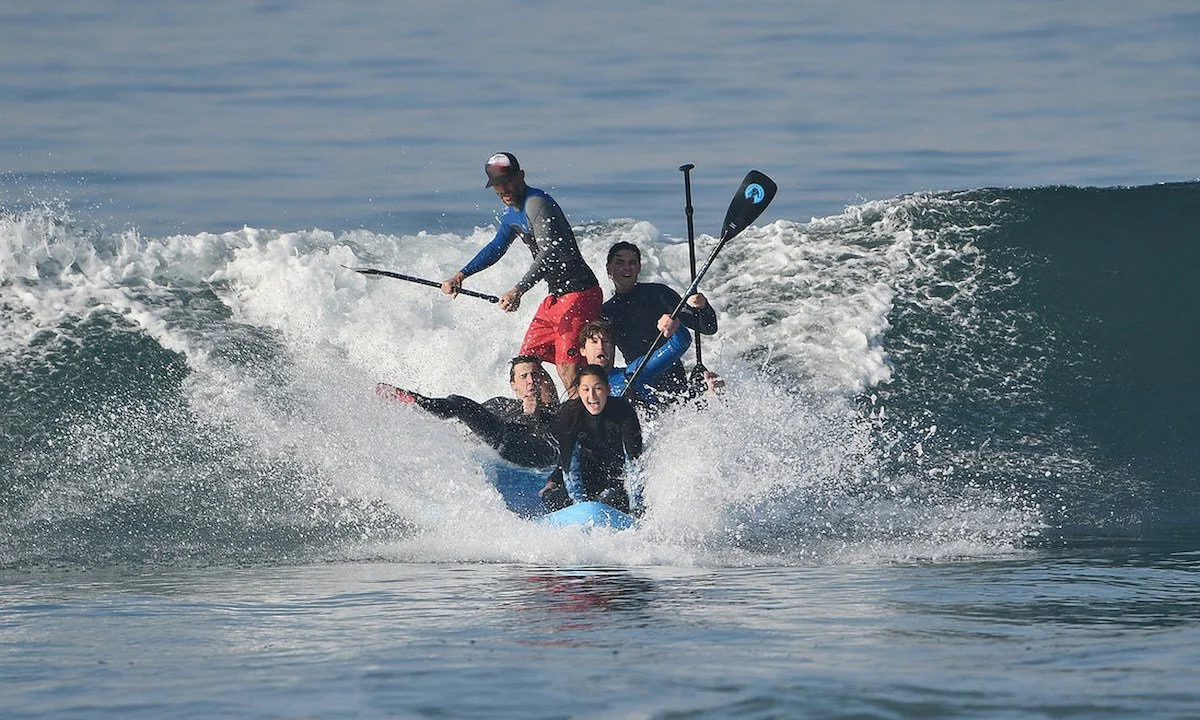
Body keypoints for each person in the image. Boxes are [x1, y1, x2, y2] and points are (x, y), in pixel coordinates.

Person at [442, 152, 602, 395]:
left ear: (521, 176)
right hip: (556, 297)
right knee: (526, 362)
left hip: (580, 293)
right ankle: (544, 413)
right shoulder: (511, 214)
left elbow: (549, 252)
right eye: (496, 184)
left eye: (506, 182)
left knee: (567, 366)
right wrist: (460, 276)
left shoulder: (537, 203)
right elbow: (496, 247)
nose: (502, 189)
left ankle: (578, 419)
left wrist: (518, 290)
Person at [376, 355, 559, 468]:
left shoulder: (553, 411)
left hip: (533, 452)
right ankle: (415, 409)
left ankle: (416, 401)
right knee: (459, 413)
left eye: (535, 375)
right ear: (513, 385)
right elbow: (473, 423)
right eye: (523, 376)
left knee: (458, 402)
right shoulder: (500, 403)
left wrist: (533, 417)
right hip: (502, 440)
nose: (530, 380)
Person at [601, 241, 719, 401]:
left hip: (672, 379)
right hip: (637, 381)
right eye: (620, 262)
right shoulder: (606, 312)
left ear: (639, 268)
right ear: (609, 269)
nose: (627, 268)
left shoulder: (659, 294)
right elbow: (603, 357)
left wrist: (703, 306)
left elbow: (708, 327)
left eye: (632, 263)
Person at [538, 364, 643, 514]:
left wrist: (636, 508)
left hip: (617, 473)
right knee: (552, 500)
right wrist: (580, 508)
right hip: (587, 471)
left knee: (616, 501)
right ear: (579, 391)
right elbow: (570, 465)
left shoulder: (623, 411)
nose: (592, 396)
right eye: (586, 389)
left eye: (598, 388)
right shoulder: (568, 414)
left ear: (608, 389)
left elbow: (633, 462)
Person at [575, 319, 690, 406]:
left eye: (605, 341)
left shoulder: (634, 373)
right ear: (583, 350)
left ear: (613, 348)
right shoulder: (577, 393)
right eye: (594, 342)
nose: (600, 347)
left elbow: (680, 344)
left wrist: (676, 326)